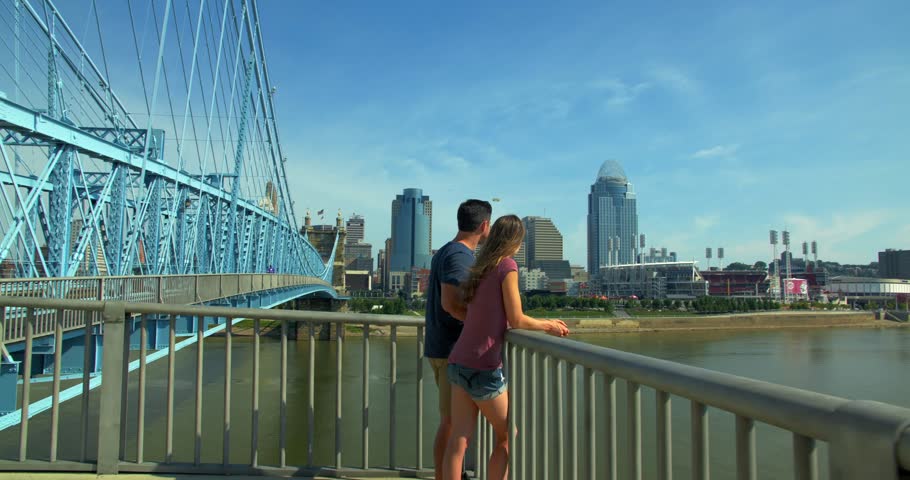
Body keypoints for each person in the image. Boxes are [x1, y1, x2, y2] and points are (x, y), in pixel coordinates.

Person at [441, 215, 569, 480]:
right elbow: (517, 318)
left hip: (458, 361)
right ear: (515, 241)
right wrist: (549, 325)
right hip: (483, 366)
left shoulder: (481, 267)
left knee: (459, 438)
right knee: (509, 436)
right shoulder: (507, 266)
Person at [425, 199, 492, 480]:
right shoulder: (460, 256)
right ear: (484, 225)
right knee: (451, 425)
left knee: (451, 423)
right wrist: (485, 325)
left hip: (443, 348)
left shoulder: (446, 251)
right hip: (451, 351)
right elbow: (451, 304)